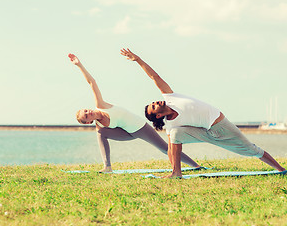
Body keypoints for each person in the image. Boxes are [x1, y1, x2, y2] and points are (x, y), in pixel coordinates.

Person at [120, 48, 286, 178]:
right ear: (158, 116)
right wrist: (172, 164)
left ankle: (281, 169)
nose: (156, 102)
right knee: (174, 134)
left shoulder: (170, 96)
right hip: (204, 133)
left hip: (220, 125)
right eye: (154, 107)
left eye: (154, 102)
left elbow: (154, 76)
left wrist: (138, 60)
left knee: (251, 149)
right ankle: (176, 173)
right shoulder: (171, 125)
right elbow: (172, 149)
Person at [68, 53, 200, 173]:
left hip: (140, 127)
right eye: (86, 116)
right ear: (89, 121)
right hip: (126, 133)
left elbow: (92, 82)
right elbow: (107, 131)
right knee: (100, 134)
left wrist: (79, 65)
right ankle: (107, 167)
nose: (88, 112)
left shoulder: (100, 105)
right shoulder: (100, 126)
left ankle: (196, 166)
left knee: (165, 148)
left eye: (86, 110)